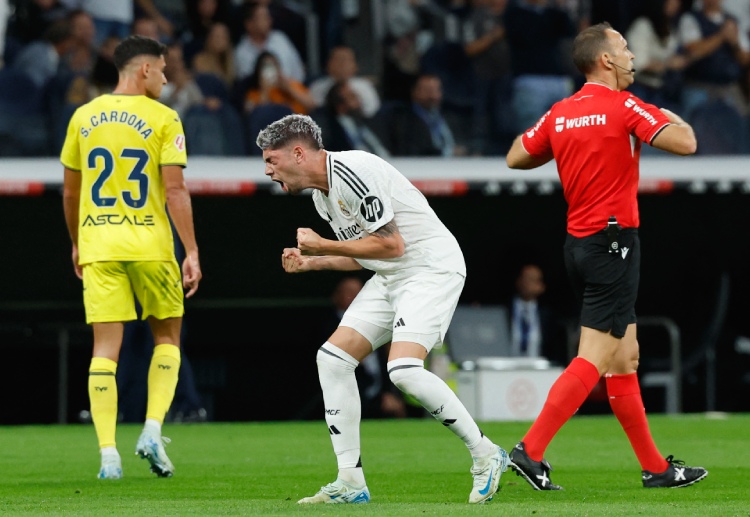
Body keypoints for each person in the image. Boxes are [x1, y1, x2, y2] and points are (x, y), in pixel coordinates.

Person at [257, 114, 509, 505]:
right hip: (391, 276)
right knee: (333, 360)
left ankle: (486, 454)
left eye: (272, 160)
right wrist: (313, 262)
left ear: (298, 152)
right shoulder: (322, 196)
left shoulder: (353, 172)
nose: (268, 170)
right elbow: (364, 254)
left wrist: (322, 246)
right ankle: (350, 483)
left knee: (403, 370)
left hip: (429, 268)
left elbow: (392, 246)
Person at [505, 22, 708, 490]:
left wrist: (560, 146)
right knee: (594, 357)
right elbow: (687, 144)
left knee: (625, 358)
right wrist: (676, 119)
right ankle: (529, 451)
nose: (632, 54)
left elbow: (516, 155)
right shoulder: (625, 105)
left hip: (579, 245)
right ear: (606, 61)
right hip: (615, 244)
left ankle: (656, 468)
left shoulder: (560, 112)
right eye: (624, 47)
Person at [61, 35, 202, 480]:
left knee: (105, 349)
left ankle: (108, 456)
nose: (165, 77)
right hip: (150, 247)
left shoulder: (83, 117)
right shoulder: (164, 117)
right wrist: (192, 250)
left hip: (99, 245)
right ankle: (153, 430)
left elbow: (70, 190)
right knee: (167, 339)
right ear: (144, 70)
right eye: (162, 70)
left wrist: (76, 241)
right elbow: (175, 190)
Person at [324, 276, 410, 420]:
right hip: (350, 394)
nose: (355, 296)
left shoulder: (377, 323)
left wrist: (388, 393)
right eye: (349, 292)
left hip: (379, 394)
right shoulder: (328, 326)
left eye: (359, 292)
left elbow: (385, 360)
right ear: (336, 296)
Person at [508, 263, 565, 364]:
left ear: (542, 286)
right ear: (518, 281)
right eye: (526, 278)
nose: (528, 283)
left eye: (534, 280)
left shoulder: (548, 316)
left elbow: (556, 350)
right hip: (506, 368)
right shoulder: (504, 311)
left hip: (538, 370)